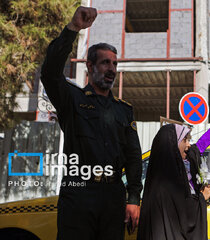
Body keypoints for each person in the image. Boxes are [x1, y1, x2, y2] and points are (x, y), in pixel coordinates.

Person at [41, 6, 142, 240]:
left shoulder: (124, 110)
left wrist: (133, 198)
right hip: (79, 194)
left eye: (115, 64)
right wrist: (73, 28)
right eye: (105, 63)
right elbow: (49, 73)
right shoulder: (72, 100)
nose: (111, 69)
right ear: (90, 66)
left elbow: (134, 156)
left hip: (113, 197)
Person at [137, 106, 210, 240]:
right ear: (173, 143)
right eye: (185, 140)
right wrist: (202, 197)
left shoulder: (189, 158)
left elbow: (204, 142)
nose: (189, 145)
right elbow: (182, 213)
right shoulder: (164, 177)